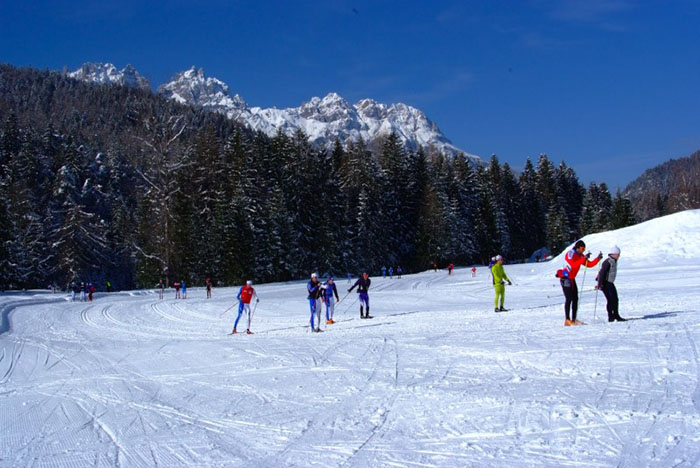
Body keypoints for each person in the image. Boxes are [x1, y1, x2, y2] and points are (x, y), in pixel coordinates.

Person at [556, 240, 602, 326]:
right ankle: (567, 319)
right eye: (582, 248)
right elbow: (573, 264)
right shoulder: (570, 253)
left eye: (584, 249)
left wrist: (597, 259)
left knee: (575, 299)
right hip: (565, 278)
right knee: (569, 298)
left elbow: (589, 264)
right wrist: (583, 259)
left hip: (572, 279)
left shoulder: (580, 255)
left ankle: (574, 319)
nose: (583, 250)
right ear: (577, 247)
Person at [596, 245, 626, 322]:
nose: (619, 256)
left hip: (610, 283)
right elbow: (602, 273)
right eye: (618, 254)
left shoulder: (614, 261)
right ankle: (611, 317)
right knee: (610, 300)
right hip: (605, 284)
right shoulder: (608, 262)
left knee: (615, 299)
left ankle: (616, 315)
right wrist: (600, 284)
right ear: (614, 254)